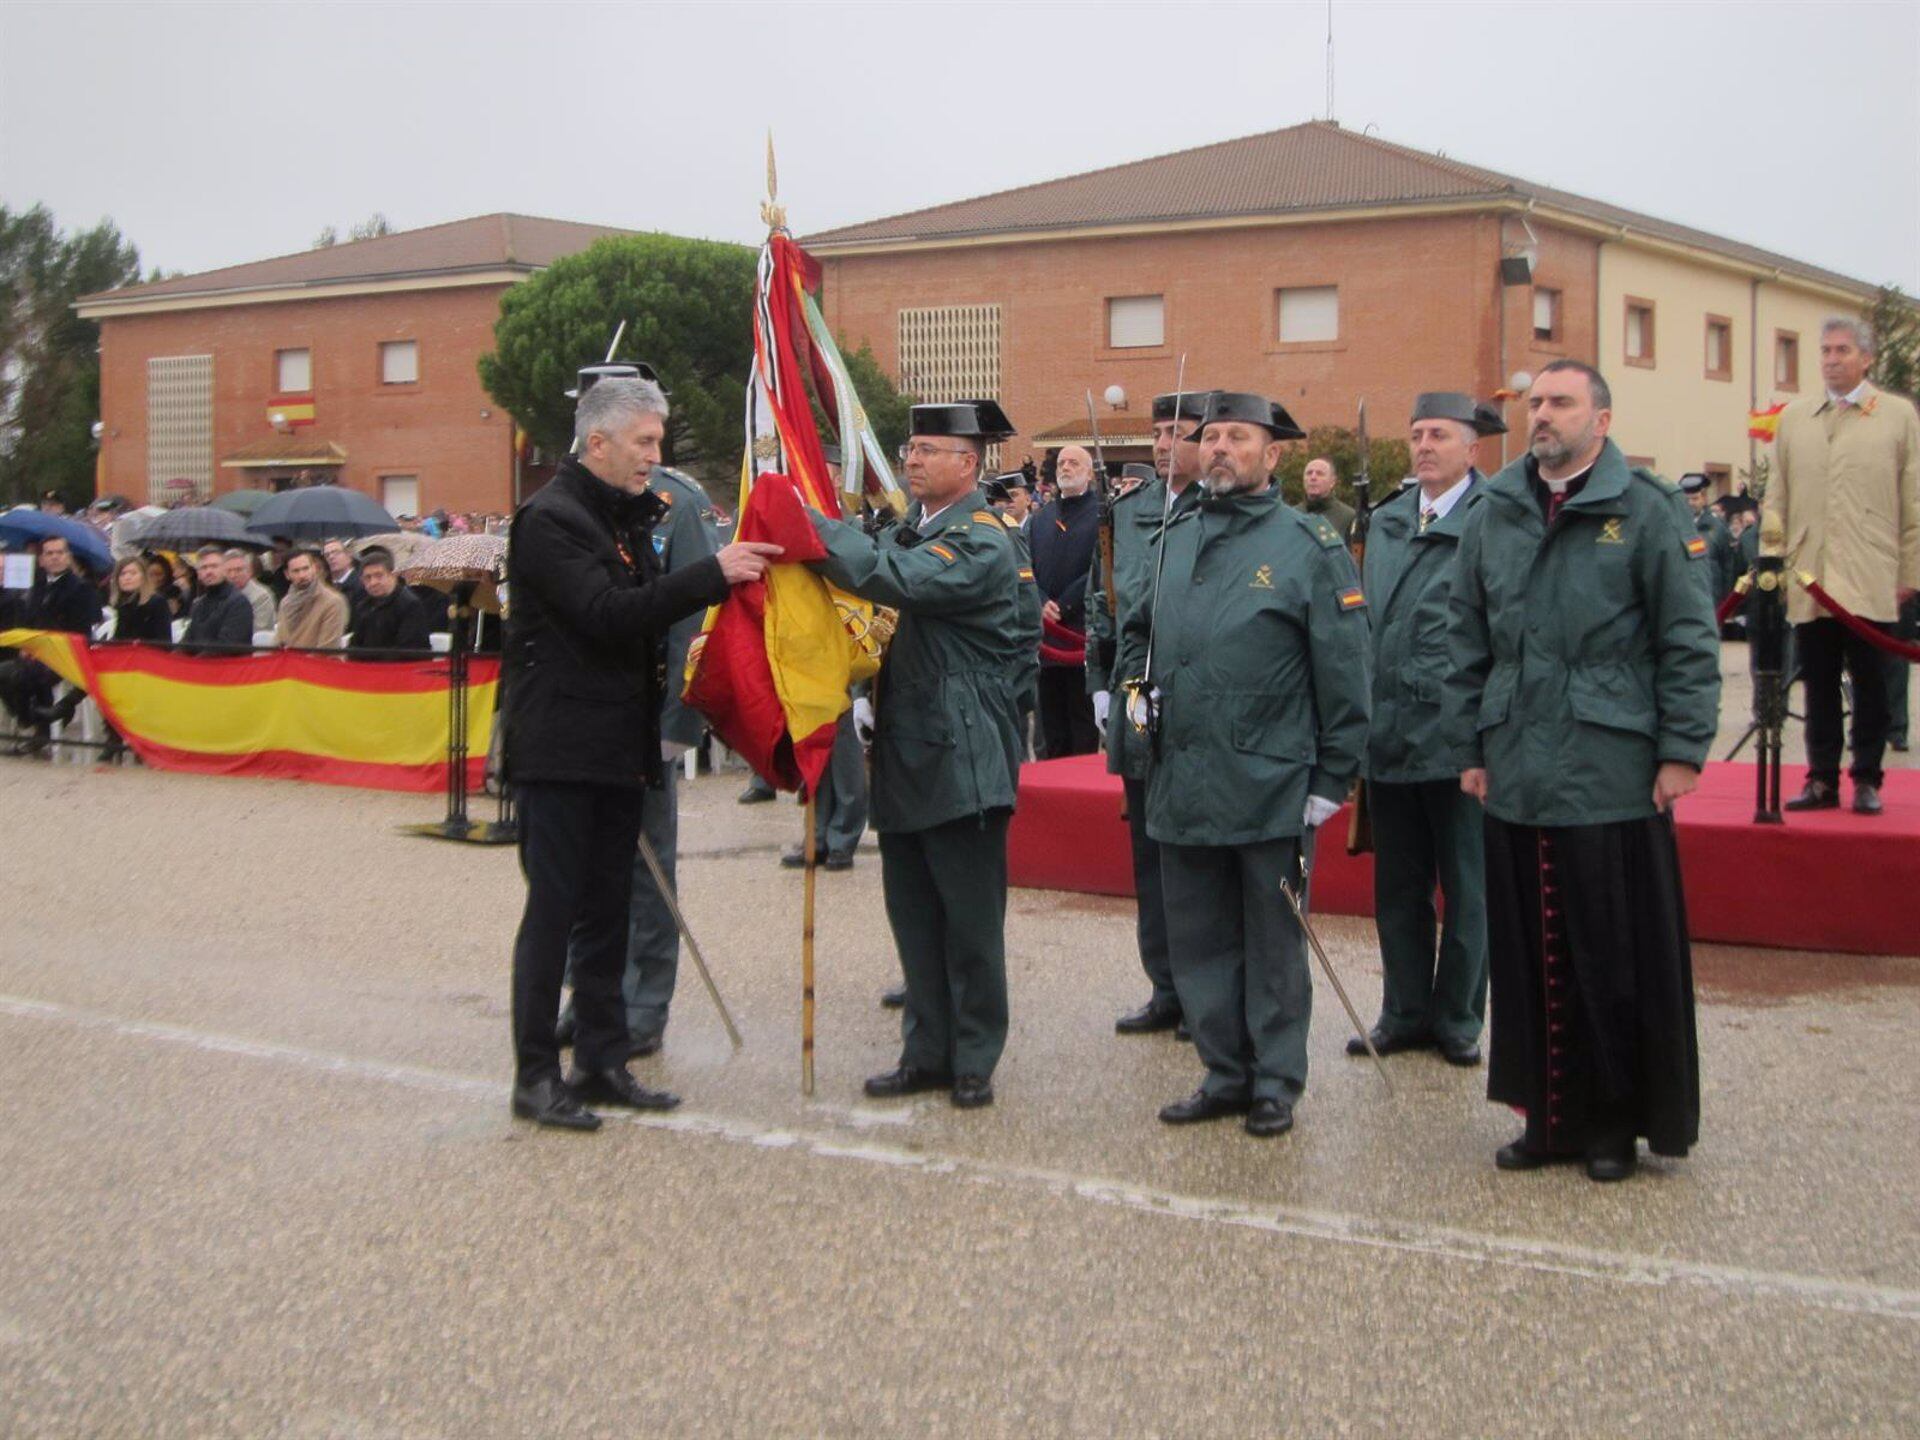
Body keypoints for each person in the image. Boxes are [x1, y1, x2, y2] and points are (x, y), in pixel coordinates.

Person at [1444, 359, 1720, 1183]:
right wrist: (1471, 746)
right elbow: (1466, 634)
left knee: (1609, 952)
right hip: (1518, 762)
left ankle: (1612, 1121)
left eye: (1562, 403)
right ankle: (1548, 1117)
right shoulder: (1496, 509)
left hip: (1610, 765)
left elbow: (1687, 638)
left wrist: (1681, 751)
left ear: (1602, 420)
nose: (1544, 416)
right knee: (1528, 949)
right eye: (1537, 403)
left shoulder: (1645, 510)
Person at [504, 375, 779, 1132]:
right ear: (597, 442)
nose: (655, 458)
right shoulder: (551, 519)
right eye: (644, 443)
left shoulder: (624, 516)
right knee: (555, 916)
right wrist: (710, 576)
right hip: (561, 751)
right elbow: (606, 615)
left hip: (617, 749)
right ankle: (535, 1075)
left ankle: (600, 1059)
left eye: (658, 442)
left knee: (608, 915)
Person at [1120, 391, 1372, 1139]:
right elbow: (1137, 641)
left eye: (1238, 437)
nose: (1220, 447)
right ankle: (1223, 1071)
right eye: (1212, 436)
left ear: (1275, 454)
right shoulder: (1175, 536)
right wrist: (1136, 729)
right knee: (1197, 937)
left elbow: (1346, 669)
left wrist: (1333, 778)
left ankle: (1274, 1082)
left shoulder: (1309, 547)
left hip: (1270, 777)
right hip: (1182, 772)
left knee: (1270, 939)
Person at [803, 399, 1035, 1109]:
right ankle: (925, 1050)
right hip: (908, 744)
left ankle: (973, 1057)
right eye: (912, 448)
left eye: (931, 450)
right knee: (914, 916)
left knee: (967, 919)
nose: (914, 459)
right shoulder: (911, 529)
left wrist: (806, 524)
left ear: (969, 464)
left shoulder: (982, 539)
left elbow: (896, 581)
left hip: (962, 752)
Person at [558, 395, 727, 1058]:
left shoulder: (675, 503)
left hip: (646, 715)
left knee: (646, 870)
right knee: (584, 869)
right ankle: (591, 993)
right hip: (587, 722)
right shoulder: (569, 507)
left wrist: (679, 720)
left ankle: (645, 1001)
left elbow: (693, 619)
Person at [1353, 392, 1503, 1069]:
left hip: (1459, 735)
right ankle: (1404, 1011)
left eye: (1439, 434)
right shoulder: (1386, 520)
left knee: (1468, 888)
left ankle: (1459, 1017)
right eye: (1416, 433)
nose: (1424, 445)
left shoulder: (1497, 518)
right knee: (1399, 887)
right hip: (1390, 733)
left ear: (1472, 448)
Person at [1090, 389, 1210, 1036]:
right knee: (1147, 848)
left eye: (1180, 432)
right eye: (1159, 432)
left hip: (1192, 704)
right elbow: (1098, 600)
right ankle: (1164, 985)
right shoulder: (1128, 512)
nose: (1165, 443)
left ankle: (1203, 994)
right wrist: (1097, 683)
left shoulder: (1217, 512)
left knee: (1192, 855)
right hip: (1134, 699)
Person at [1766, 317, 1920, 816]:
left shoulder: (1896, 416)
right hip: (1811, 575)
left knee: (1872, 684)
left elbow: (1914, 502)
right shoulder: (1794, 417)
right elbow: (1778, 496)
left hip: (1872, 572)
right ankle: (1821, 778)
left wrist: (1909, 575)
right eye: (1825, 351)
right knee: (1818, 684)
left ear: (1866, 358)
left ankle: (1867, 778)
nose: (1831, 359)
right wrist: (1774, 562)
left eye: (1842, 350)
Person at [1027, 443, 1101, 758]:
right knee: (1052, 725)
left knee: (1081, 724)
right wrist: (1041, 599)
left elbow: (1102, 566)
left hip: (1079, 631)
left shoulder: (1102, 514)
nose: (1065, 468)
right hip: (1046, 635)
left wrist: (1067, 603)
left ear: (1089, 472)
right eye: (1061, 463)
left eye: (1073, 463)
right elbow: (1026, 566)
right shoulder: (1042, 517)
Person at [0, 537, 100, 753]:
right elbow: (26, 621)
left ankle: (42, 728)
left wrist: (48, 646)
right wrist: (26, 646)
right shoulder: (37, 586)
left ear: (67, 556)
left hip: (64, 654)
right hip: (34, 651)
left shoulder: (81, 588)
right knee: (7, 673)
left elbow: (81, 630)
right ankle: (34, 721)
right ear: (42, 560)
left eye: (60, 552)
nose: (55, 557)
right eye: (49, 553)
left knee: (20, 675)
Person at [348, 548, 433, 652]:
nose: (373, 582)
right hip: (367, 665)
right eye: (367, 578)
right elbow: (355, 645)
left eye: (379, 576)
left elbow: (410, 649)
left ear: (393, 575)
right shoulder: (363, 606)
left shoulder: (410, 605)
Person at [180, 546, 256, 653]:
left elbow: (227, 647)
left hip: (227, 667)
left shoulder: (239, 603)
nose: (209, 571)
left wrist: (195, 665)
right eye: (204, 567)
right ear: (198, 574)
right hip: (198, 666)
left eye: (214, 566)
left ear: (225, 569)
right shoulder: (198, 604)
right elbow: (187, 642)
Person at [1677, 474, 1737, 607]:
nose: (1691, 503)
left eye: (1695, 499)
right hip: (1682, 599)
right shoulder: (1675, 527)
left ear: (1704, 499)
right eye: (1687, 500)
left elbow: (1728, 567)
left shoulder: (1718, 528)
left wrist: (1726, 603)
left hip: (1710, 600)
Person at [275, 549, 349, 648]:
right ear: (287, 574)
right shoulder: (285, 603)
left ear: (314, 568)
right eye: (296, 571)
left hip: (316, 662)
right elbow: (281, 639)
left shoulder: (333, 602)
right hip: (288, 660)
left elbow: (328, 648)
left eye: (306, 569)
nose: (302, 575)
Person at [110, 556, 173, 642]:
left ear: (143, 577)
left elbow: (164, 640)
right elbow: (119, 637)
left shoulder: (157, 602)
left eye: (133, 573)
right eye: (122, 574)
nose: (127, 578)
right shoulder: (124, 605)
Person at [1300, 456, 1356, 539]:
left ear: (1332, 482)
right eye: (1309, 473)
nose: (1313, 477)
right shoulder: (1292, 515)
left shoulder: (1348, 517)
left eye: (1320, 474)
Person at [224, 549, 277, 633]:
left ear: (249, 572)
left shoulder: (261, 596)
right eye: (228, 571)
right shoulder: (220, 594)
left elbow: (259, 630)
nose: (233, 575)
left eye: (238, 570)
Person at [321, 539, 364, 610]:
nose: (331, 557)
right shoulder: (325, 585)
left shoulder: (361, 583)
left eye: (336, 552)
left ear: (349, 555)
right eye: (327, 555)